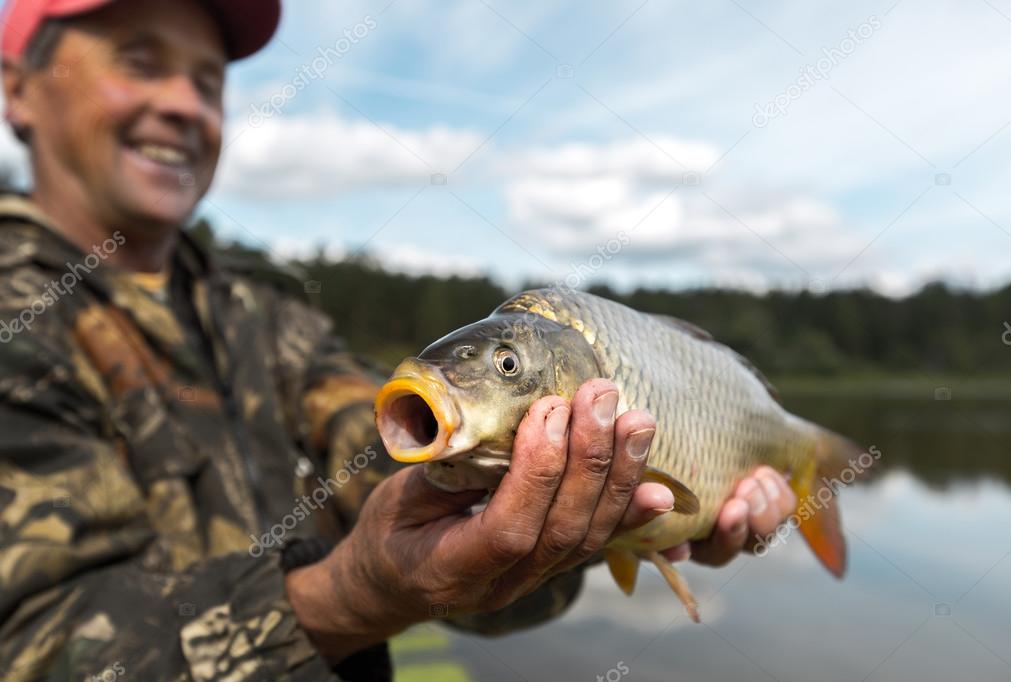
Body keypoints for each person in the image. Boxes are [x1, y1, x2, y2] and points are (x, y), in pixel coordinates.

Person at [0, 0, 797, 679]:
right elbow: (34, 648)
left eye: (208, 81)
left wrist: (570, 508)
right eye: (140, 63)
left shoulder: (261, 314)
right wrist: (349, 595)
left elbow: (384, 466)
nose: (185, 103)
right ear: (16, 88)